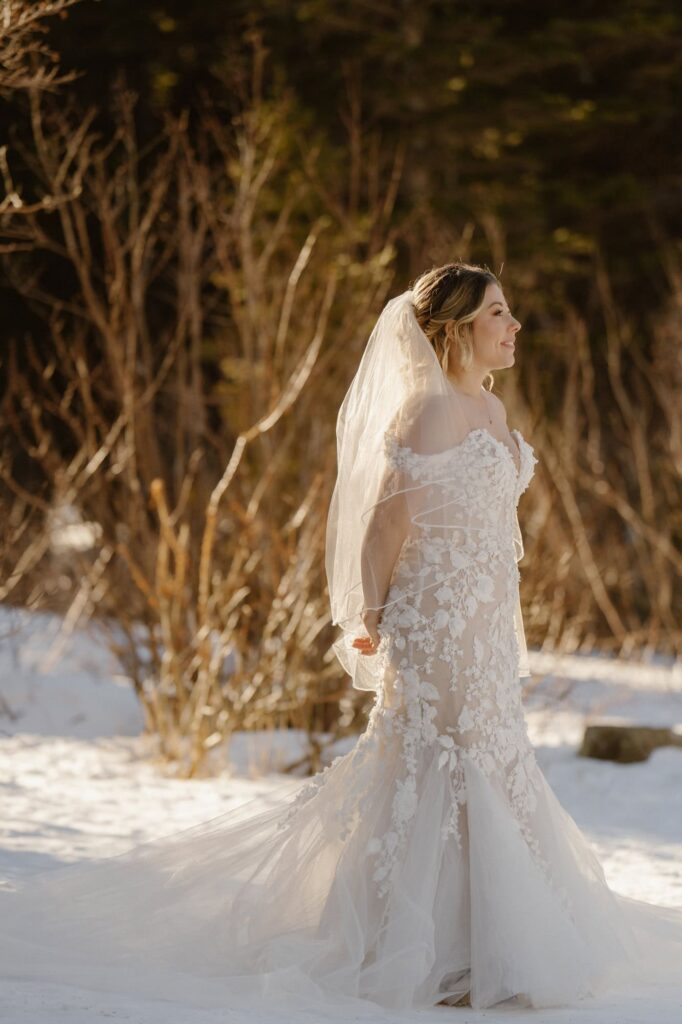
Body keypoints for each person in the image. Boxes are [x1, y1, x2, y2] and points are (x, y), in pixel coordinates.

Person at [1, 262, 681, 1016]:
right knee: (442, 759)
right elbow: (383, 524)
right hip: (434, 624)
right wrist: (371, 616)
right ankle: (425, 947)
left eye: (510, 311)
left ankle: (491, 940)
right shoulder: (424, 413)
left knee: (493, 754)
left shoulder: (489, 407)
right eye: (497, 313)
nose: (514, 326)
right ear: (455, 330)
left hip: (486, 625)